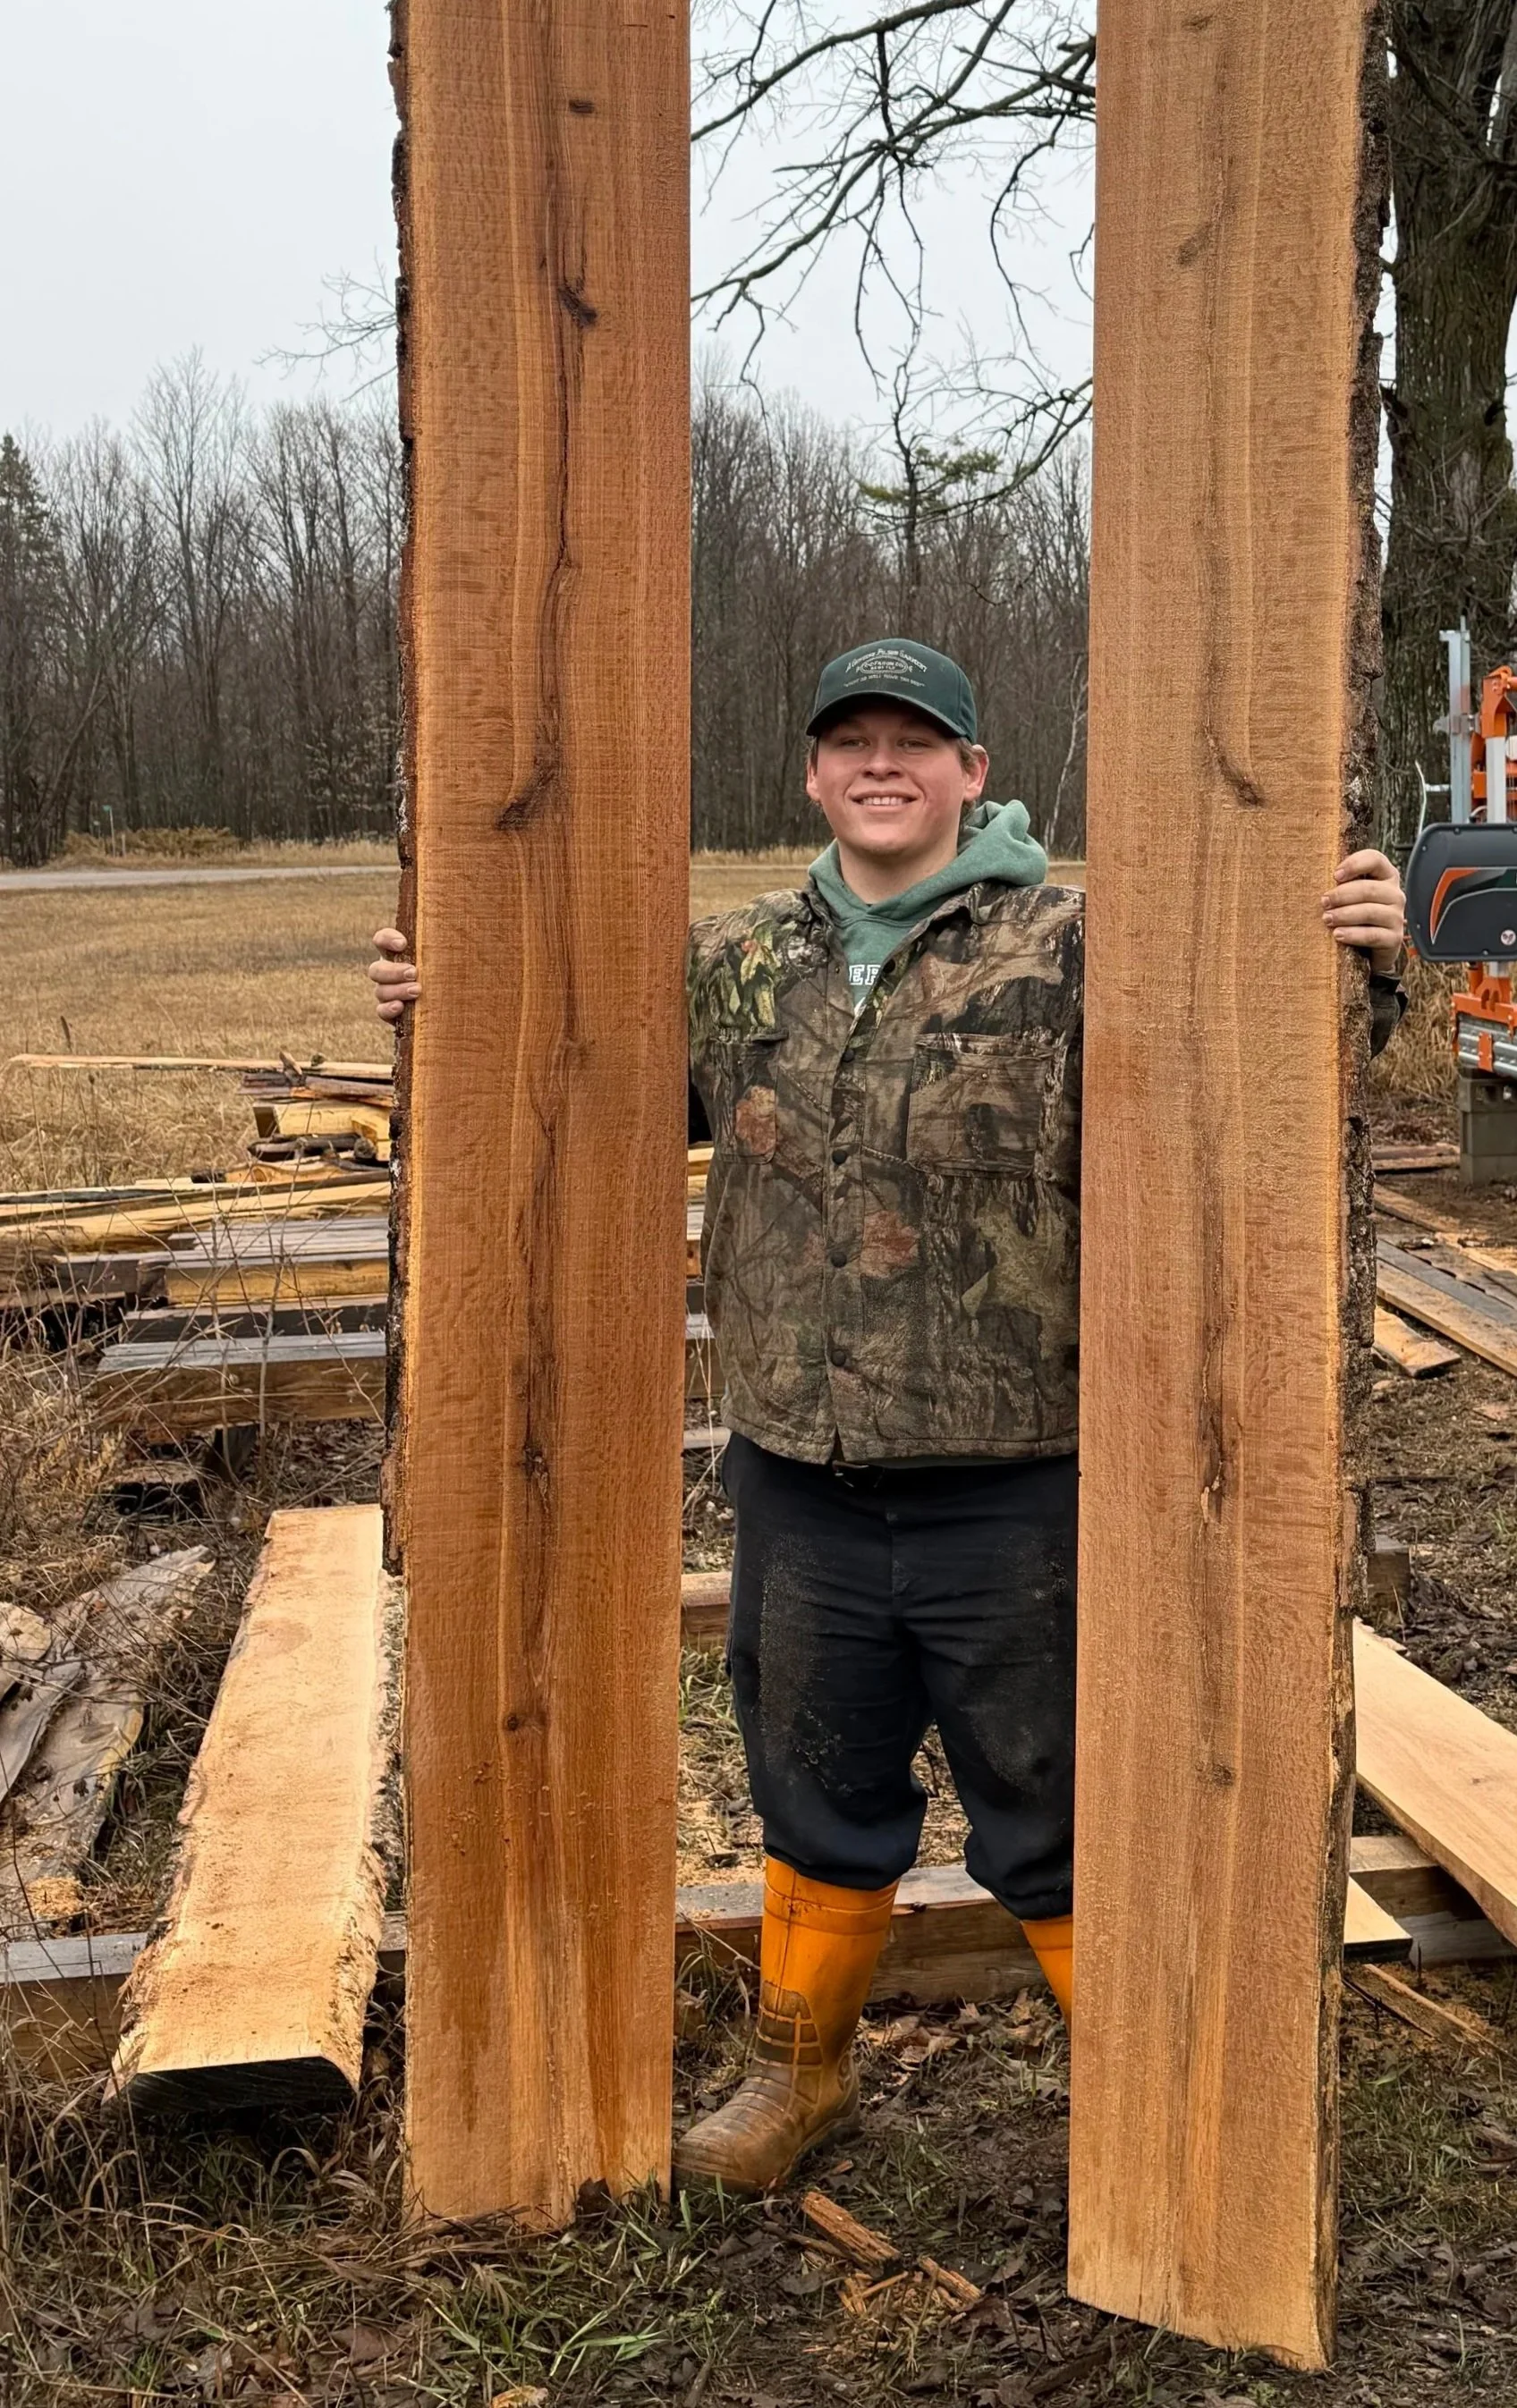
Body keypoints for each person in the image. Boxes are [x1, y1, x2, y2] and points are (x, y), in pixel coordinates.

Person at [369, 638, 1410, 2195]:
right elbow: (561, 1084)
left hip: (1021, 1482)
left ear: (973, 773)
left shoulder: (1081, 946)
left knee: (1058, 1808)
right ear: (809, 773)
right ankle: (801, 2079)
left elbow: (1269, 1070)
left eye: (915, 741)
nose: (880, 763)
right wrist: (431, 1005)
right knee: (813, 1786)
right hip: (800, 1474)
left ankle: (1143, 2122)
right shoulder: (730, 963)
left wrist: (1363, 958)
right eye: (849, 738)